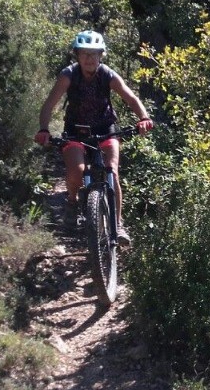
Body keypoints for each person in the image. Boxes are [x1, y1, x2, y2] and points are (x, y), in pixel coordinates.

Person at [34, 30, 153, 244]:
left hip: (106, 129)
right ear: (77, 55)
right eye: (85, 53)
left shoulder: (108, 75)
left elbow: (131, 98)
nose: (89, 58)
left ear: (101, 55)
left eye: (94, 53)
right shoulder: (68, 75)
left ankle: (117, 225)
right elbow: (48, 105)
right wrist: (44, 129)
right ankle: (72, 201)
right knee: (77, 173)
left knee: (112, 173)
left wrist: (143, 117)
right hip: (75, 132)